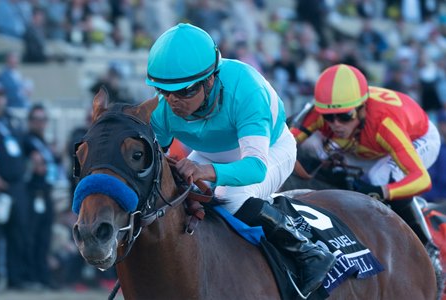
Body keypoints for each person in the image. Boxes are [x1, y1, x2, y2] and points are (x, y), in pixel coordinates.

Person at [145, 23, 335, 297]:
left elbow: (256, 168)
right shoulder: (162, 109)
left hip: (271, 150)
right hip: (210, 154)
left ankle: (308, 251)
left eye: (185, 91)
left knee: (231, 196)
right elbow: (157, 163)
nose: (173, 101)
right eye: (165, 91)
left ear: (209, 80)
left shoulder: (246, 91)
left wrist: (204, 170)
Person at [290, 64, 441, 246]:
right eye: (329, 117)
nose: (336, 124)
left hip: (419, 136)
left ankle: (426, 243)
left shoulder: (384, 124)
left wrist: (382, 192)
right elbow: (285, 142)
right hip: (367, 143)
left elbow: (422, 179)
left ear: (362, 109)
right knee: (328, 161)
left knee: (379, 177)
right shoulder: (318, 114)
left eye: (345, 116)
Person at [0, 80, 32, 290]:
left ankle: (16, 277)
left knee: (19, 232)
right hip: (1, 185)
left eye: (1, 96)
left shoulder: (8, 122)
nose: (0, 100)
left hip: (17, 185)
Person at [23, 104, 60, 289]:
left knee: (45, 238)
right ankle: (30, 276)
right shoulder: (26, 140)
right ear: (30, 122)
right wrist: (33, 164)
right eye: (36, 120)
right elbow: (24, 165)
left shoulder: (43, 142)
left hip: (46, 193)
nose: (40, 124)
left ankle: (43, 276)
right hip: (32, 193)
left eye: (43, 120)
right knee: (32, 236)